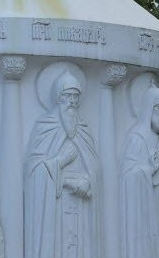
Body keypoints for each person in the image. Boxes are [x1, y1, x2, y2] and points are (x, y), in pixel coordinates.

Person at [24, 70, 99, 258]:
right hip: (54, 204)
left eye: (76, 96)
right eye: (68, 96)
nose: (72, 101)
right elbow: (33, 169)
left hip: (80, 201)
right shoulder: (45, 125)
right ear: (58, 98)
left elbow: (94, 165)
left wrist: (89, 181)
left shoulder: (82, 128)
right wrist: (60, 162)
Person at [120, 81, 159, 258]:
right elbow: (128, 176)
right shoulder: (137, 138)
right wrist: (151, 167)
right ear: (148, 109)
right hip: (147, 210)